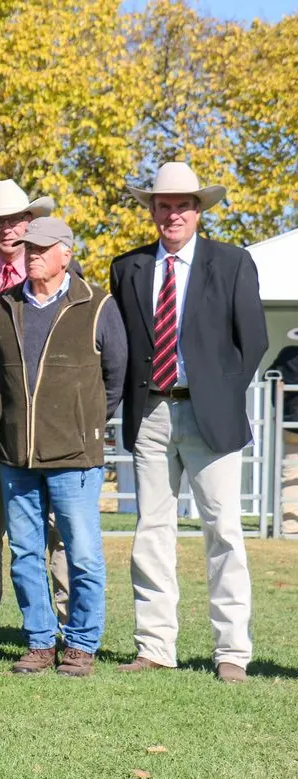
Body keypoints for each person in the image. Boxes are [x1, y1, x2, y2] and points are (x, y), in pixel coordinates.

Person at [109, 161, 268, 683]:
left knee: (223, 530)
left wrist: (218, 393)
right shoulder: (127, 266)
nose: (171, 214)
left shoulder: (233, 263)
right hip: (150, 412)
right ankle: (155, 645)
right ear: (151, 210)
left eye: (182, 205)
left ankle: (232, 652)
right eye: (163, 205)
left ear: (198, 211)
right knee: (151, 531)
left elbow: (254, 342)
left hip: (210, 416)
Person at [0, 217, 127, 677]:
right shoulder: (6, 306)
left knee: (82, 553)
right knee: (25, 554)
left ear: (66, 253)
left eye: (43, 249)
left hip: (75, 458)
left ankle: (82, 644)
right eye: (29, 248)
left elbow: (115, 379)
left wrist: (83, 426)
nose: (32, 255)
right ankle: (40, 641)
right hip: (17, 456)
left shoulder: (97, 304)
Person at [0, 179, 78, 627]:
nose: (7, 230)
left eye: (15, 221)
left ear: (32, 223)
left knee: (55, 528)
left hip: (49, 420)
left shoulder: (65, 276)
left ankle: (66, 624)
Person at [267, 345, 298, 535]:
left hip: (291, 424)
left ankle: (291, 526)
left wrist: (279, 410)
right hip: (291, 422)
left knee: (291, 475)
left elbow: (268, 378)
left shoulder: (287, 355)